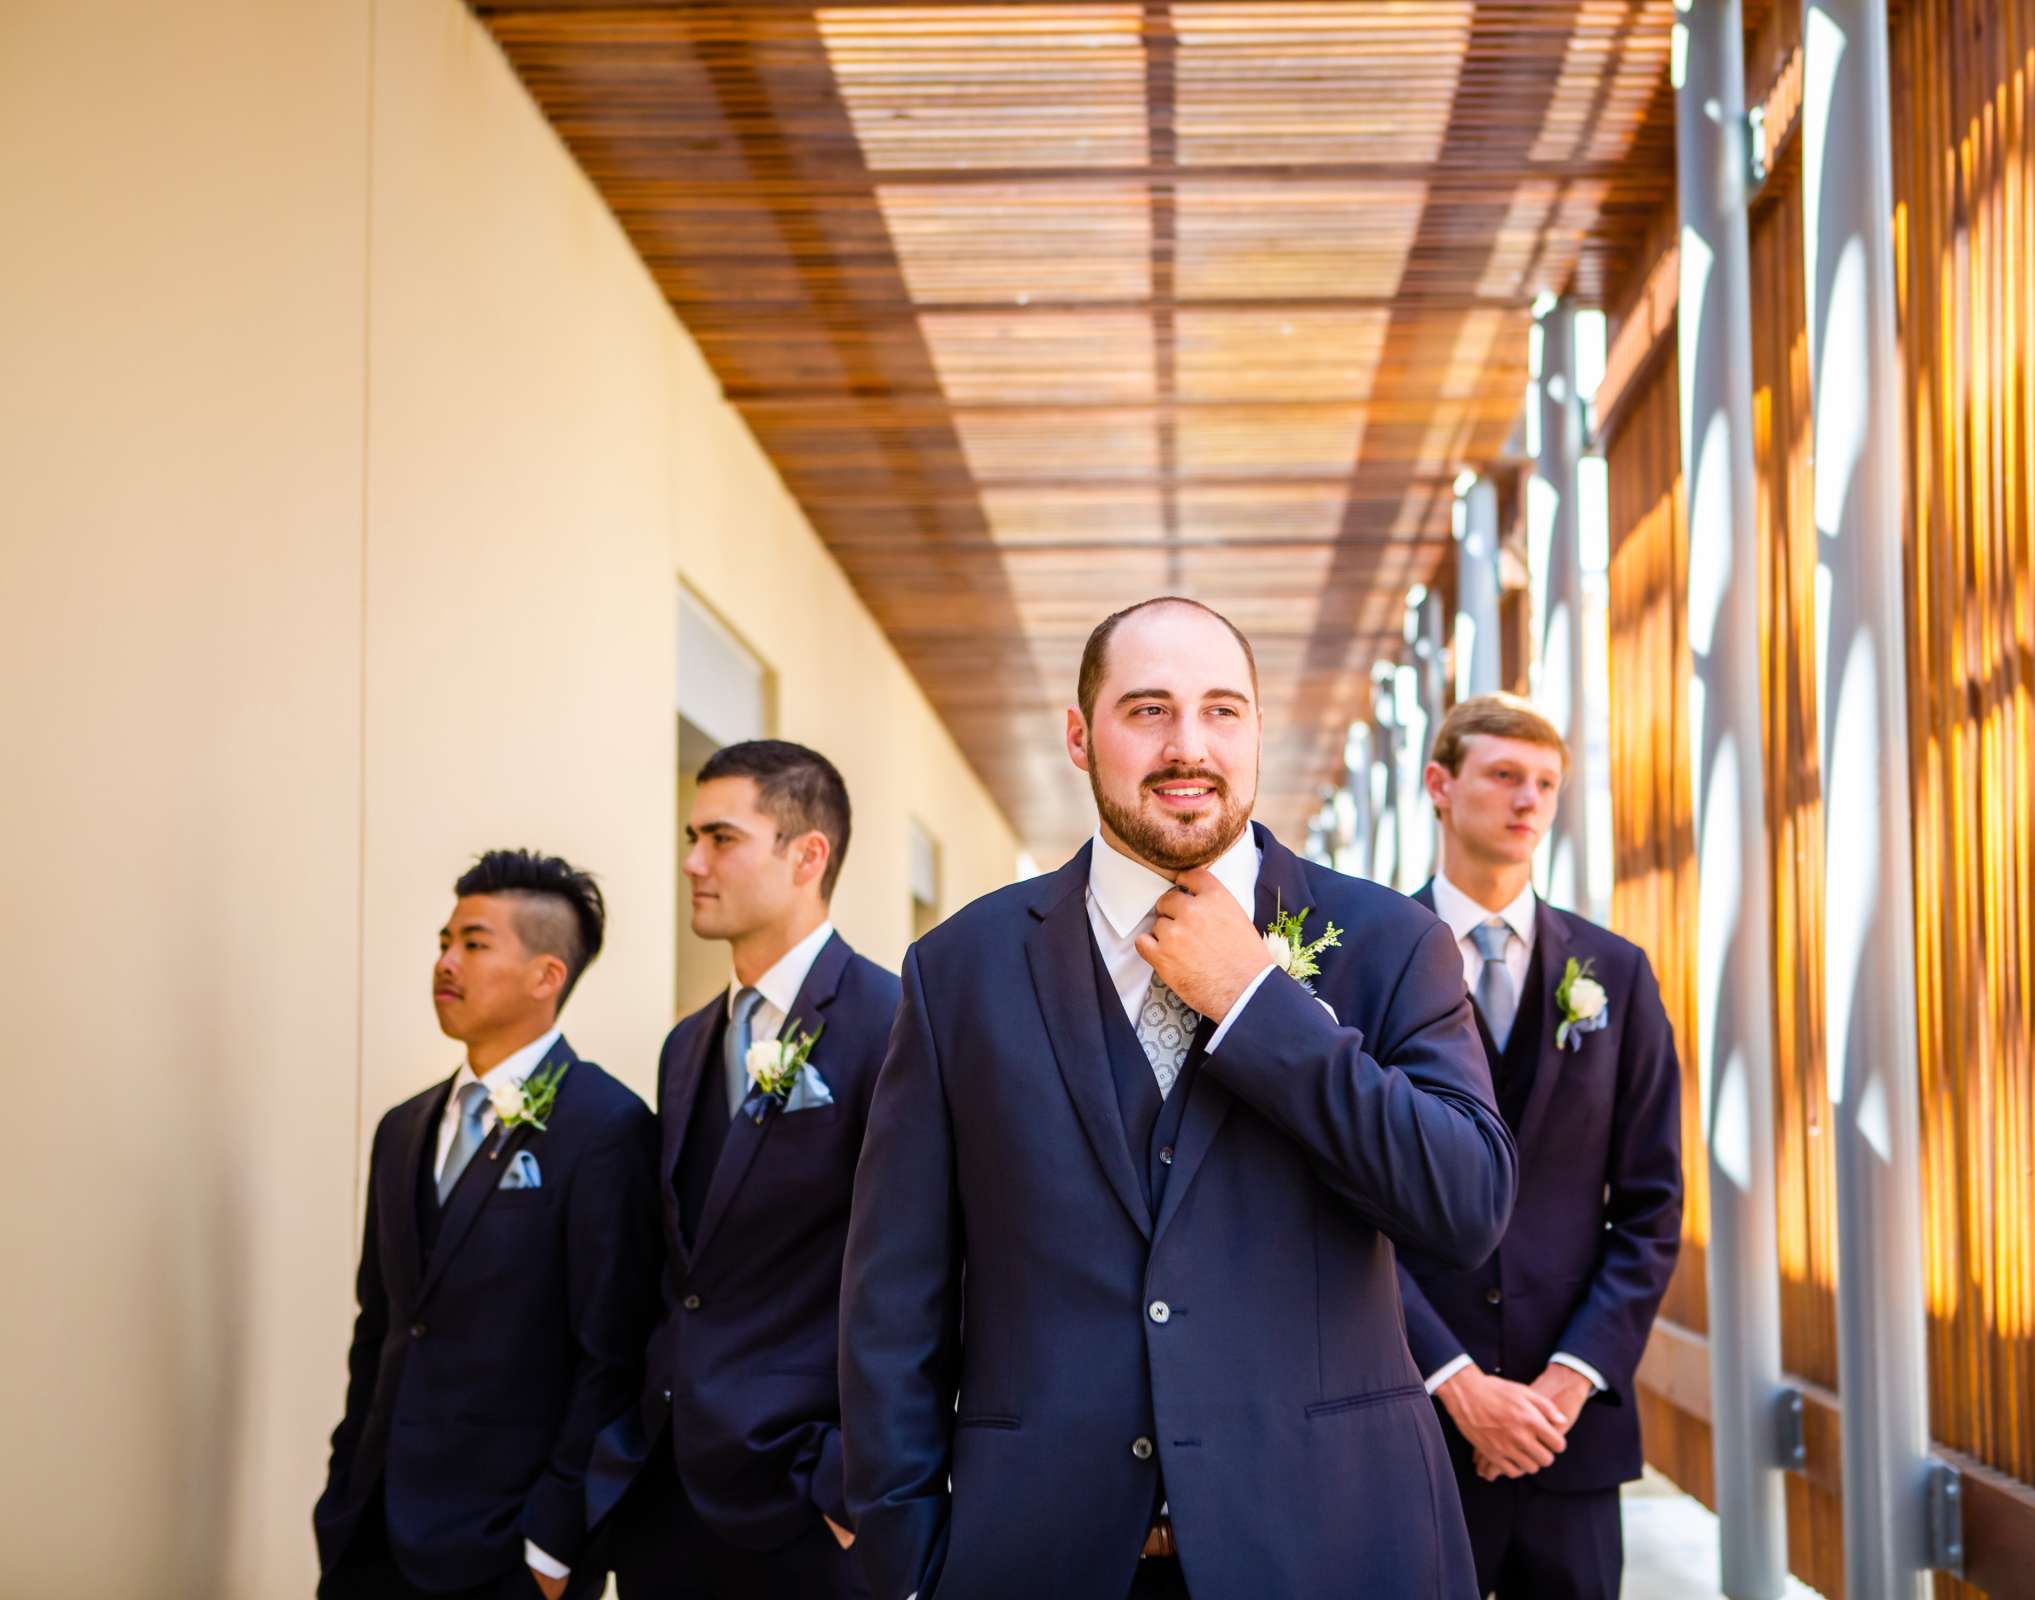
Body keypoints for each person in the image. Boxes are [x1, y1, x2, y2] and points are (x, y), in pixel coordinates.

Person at [839, 596, 1518, 1600]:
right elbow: (895, 1301)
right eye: (1148, 710)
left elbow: (1463, 1205)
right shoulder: (958, 971)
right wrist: (906, 1561)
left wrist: (1256, 1006)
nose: (1188, 746)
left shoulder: (1388, 943)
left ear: (1257, 731)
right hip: (1038, 1556)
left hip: (1335, 1548)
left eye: (1221, 711)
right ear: (1080, 735)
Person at [588, 740, 894, 1599]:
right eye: (692, 836)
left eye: (721, 838)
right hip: (665, 1497)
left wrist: (848, 1477)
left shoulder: (895, 1024)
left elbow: (938, 1269)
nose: (692, 862)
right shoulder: (686, 1044)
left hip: (805, 1508)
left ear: (808, 855)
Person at [315, 850, 658, 1600]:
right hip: (369, 1535)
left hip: (508, 1548)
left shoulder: (606, 1127)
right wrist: (342, 1494)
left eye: (474, 944)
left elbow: (614, 1356)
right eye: (444, 941)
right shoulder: (401, 1130)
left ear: (546, 976)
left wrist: (554, 1540)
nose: (446, 963)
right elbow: (381, 1328)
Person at [1399, 695, 1683, 1600]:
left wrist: (1566, 1384)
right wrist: (1457, 1383)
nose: (1528, 801)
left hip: (1571, 1434)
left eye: (1546, 784)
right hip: (1413, 1421)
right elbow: (1337, 1207)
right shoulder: (1370, 959)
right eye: (1504, 776)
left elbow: (1651, 1205)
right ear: (1440, 785)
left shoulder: (1617, 973)